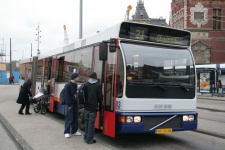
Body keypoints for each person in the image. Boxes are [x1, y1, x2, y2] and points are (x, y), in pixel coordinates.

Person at [83, 72, 103, 144]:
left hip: (86, 107)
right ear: (96, 77)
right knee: (91, 123)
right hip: (93, 106)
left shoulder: (86, 84)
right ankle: (89, 139)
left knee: (87, 122)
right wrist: (100, 105)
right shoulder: (98, 85)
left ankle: (85, 137)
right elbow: (100, 97)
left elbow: (84, 96)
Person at [64, 73, 82, 138]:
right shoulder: (67, 85)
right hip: (70, 104)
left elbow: (75, 95)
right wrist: (69, 105)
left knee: (75, 117)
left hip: (75, 103)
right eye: (77, 77)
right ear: (74, 77)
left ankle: (74, 131)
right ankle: (67, 132)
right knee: (69, 118)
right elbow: (67, 96)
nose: (78, 78)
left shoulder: (75, 85)